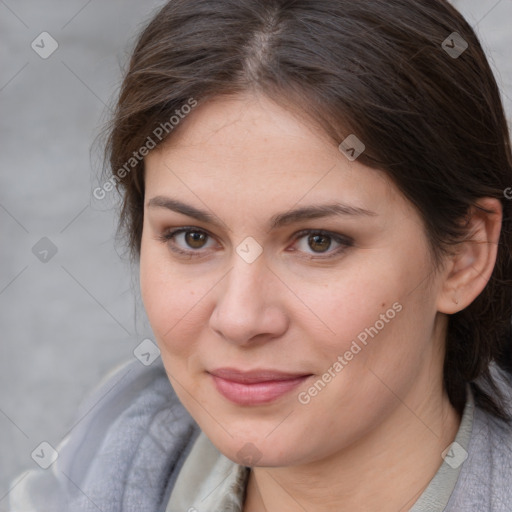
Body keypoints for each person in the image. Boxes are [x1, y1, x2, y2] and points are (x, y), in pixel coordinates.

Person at [8, 0, 512, 510]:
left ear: (463, 257)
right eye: (193, 237)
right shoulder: (102, 454)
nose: (240, 318)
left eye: (319, 241)